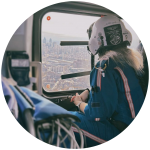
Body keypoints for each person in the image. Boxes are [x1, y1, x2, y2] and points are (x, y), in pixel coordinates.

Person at [69, 16, 145, 147]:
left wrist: (78, 102)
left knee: (63, 121)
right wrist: (88, 91)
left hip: (119, 129)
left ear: (94, 42)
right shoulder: (133, 60)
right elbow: (119, 91)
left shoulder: (103, 66)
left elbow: (97, 116)